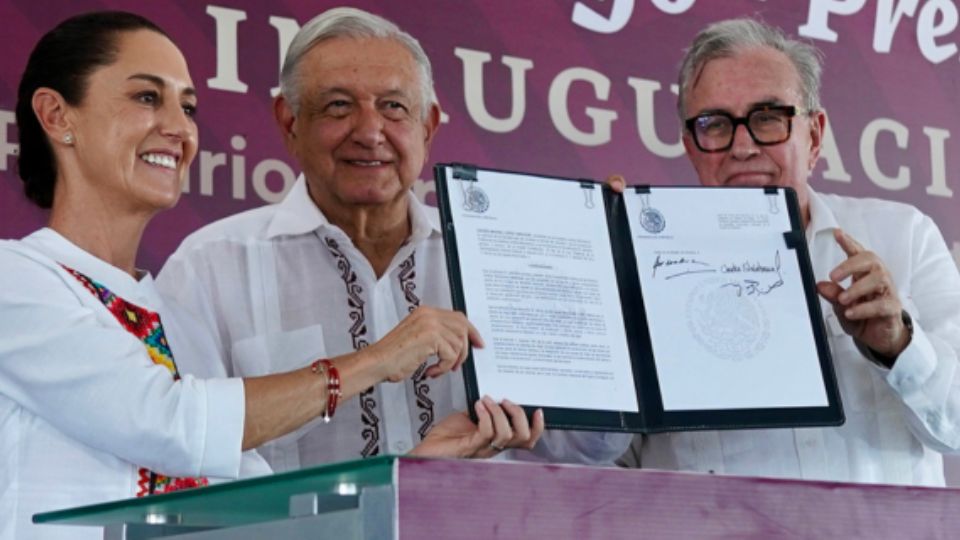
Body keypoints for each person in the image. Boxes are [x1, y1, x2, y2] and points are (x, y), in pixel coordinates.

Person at [0, 11, 510, 540]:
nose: (178, 128)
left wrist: (418, 468)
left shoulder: (177, 319)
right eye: (147, 98)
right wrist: (378, 360)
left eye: (189, 107)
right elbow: (170, 422)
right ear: (57, 115)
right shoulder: (15, 278)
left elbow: (259, 511)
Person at [158, 7, 629, 469]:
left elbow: (592, 450)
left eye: (394, 107)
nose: (369, 132)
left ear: (427, 127)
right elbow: (182, 451)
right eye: (339, 106)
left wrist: (611, 300)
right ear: (290, 121)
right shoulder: (208, 269)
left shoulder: (499, 257)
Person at [612, 17, 960, 486]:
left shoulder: (904, 236)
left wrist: (899, 345)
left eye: (768, 119)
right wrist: (606, 312)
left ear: (814, 136)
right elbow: (593, 464)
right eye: (714, 125)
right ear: (692, 147)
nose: (742, 146)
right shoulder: (632, 264)